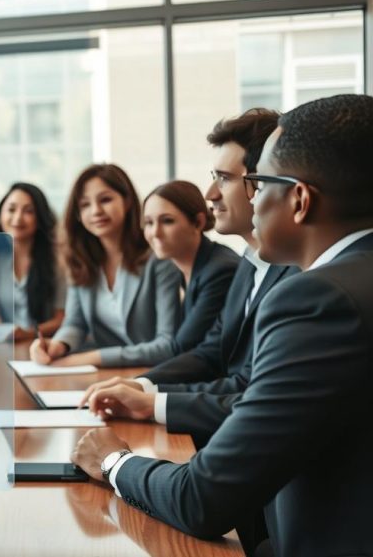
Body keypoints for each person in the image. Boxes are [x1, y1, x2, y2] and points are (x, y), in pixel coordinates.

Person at [73, 94, 373, 557]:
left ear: (299, 199)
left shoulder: (317, 299)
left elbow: (203, 499)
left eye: (257, 181)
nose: (250, 197)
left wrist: (113, 461)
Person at [80, 109, 295, 449]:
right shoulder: (248, 265)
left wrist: (150, 399)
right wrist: (142, 385)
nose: (210, 193)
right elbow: (211, 350)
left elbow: (247, 386)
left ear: (262, 182)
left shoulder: (291, 279)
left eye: (223, 178)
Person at [30, 164, 180, 367]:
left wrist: (92, 358)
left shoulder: (159, 259)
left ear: (127, 202)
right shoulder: (80, 258)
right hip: (107, 376)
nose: (96, 211)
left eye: (105, 200)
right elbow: (75, 323)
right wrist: (58, 345)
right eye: (85, 205)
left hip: (153, 373)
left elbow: (166, 344)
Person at [142, 181, 238, 353]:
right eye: (149, 223)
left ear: (198, 223)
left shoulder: (220, 270)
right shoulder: (185, 268)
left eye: (167, 221)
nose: (155, 232)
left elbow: (184, 345)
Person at [0, 182, 66, 341]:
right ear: (1, 214)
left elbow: (62, 319)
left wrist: (29, 333)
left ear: (40, 217)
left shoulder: (57, 261)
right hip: (4, 344)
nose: (18, 218)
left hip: (45, 344)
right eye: (11, 209)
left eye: (28, 211)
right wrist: (0, 331)